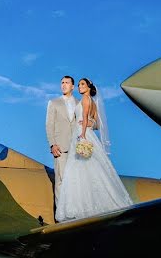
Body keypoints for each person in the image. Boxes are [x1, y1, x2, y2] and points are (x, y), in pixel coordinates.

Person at [54, 78, 133, 222]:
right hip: (88, 133)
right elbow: (96, 123)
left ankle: (80, 207)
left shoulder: (84, 99)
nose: (79, 87)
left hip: (81, 133)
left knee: (78, 170)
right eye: (78, 85)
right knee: (93, 169)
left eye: (82, 84)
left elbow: (84, 116)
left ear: (89, 87)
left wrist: (83, 133)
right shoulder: (93, 103)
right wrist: (89, 123)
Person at [45, 75, 77, 194]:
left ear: (72, 86)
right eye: (62, 83)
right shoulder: (53, 103)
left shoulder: (79, 103)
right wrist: (53, 144)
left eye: (67, 83)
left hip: (77, 148)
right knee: (60, 182)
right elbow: (49, 125)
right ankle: (61, 213)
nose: (63, 85)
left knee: (76, 182)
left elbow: (89, 122)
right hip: (60, 148)